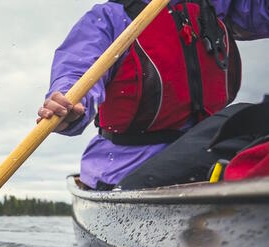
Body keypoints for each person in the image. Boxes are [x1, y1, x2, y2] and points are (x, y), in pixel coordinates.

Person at [37, 0, 269, 190]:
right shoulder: (108, 20)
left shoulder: (216, 4)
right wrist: (69, 104)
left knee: (254, 121)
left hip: (209, 151)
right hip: (128, 168)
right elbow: (76, 71)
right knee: (241, 118)